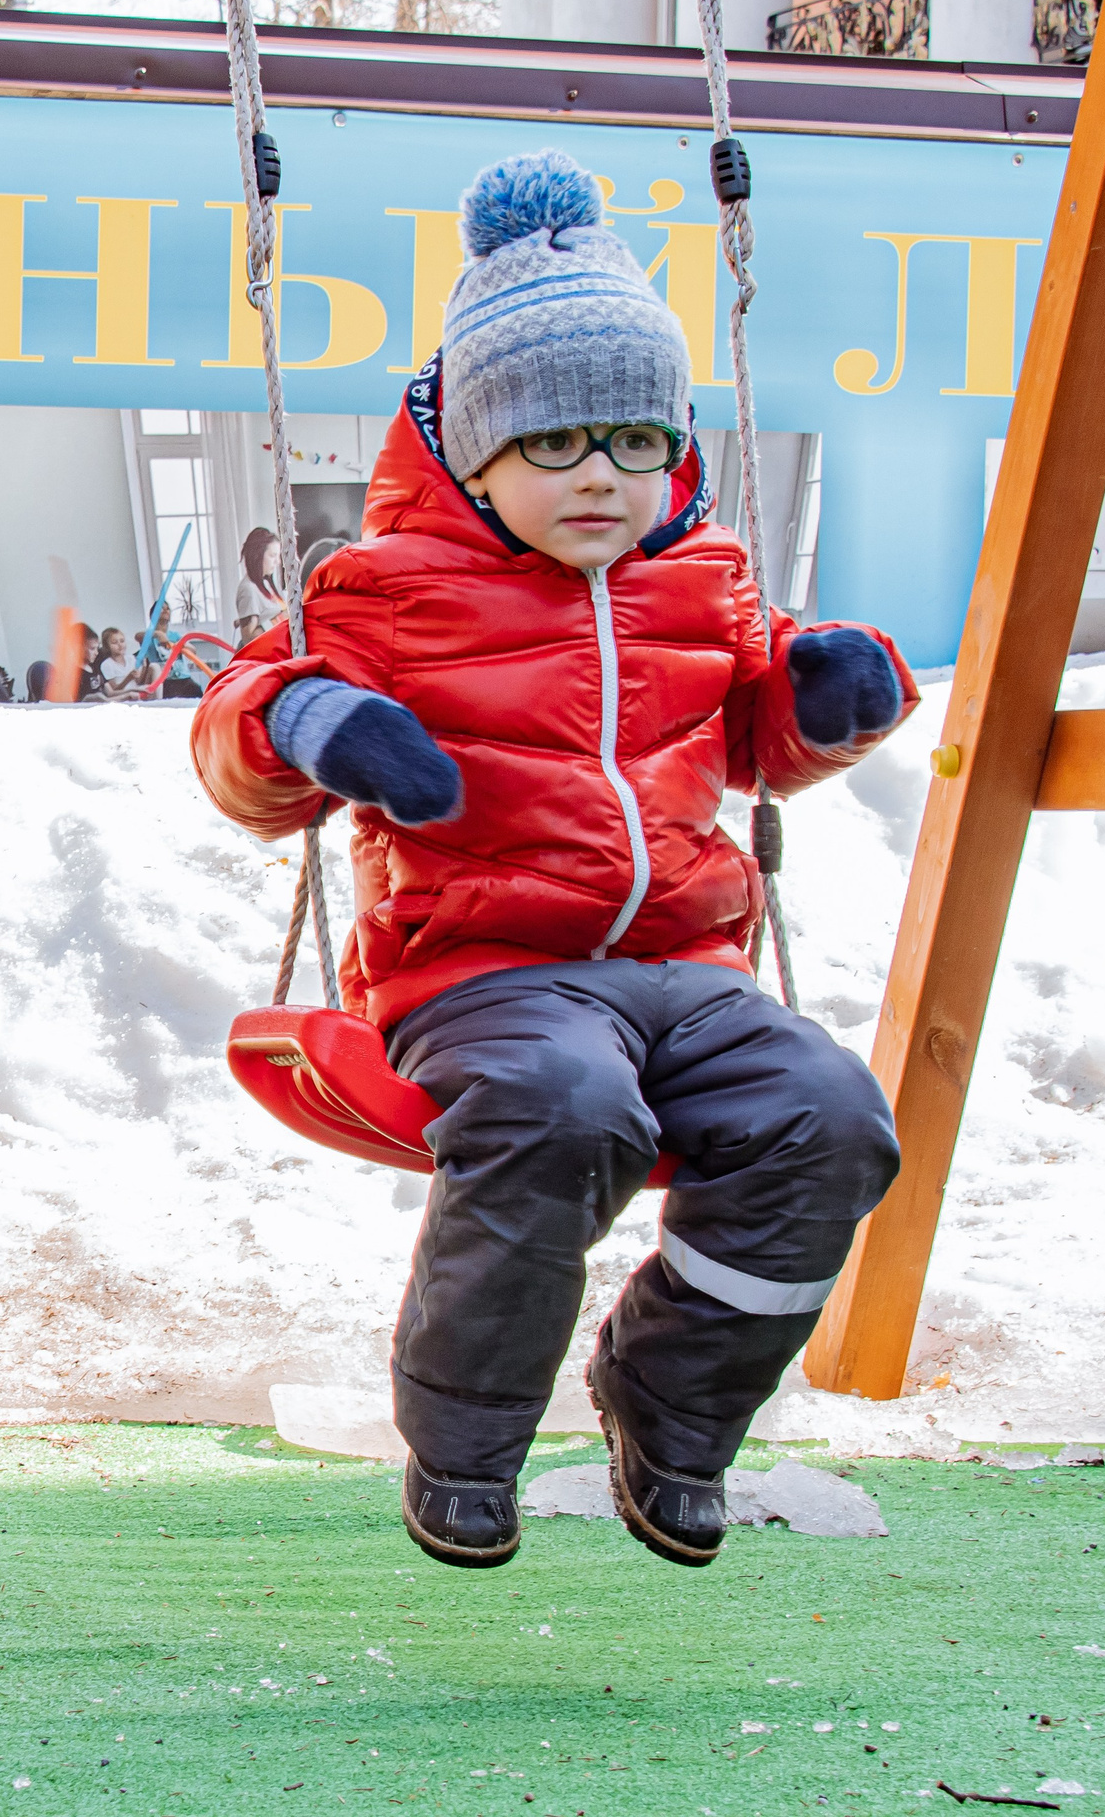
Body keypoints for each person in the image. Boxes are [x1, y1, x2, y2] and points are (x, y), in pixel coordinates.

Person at [191, 152, 917, 1575]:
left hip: (689, 970)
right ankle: (464, 1439)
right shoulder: (385, 591)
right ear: (476, 450)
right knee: (565, 1111)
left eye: (637, 442)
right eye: (557, 442)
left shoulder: (704, 582)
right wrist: (312, 724)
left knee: (831, 1120)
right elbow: (239, 744)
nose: (603, 476)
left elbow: (759, 737)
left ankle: (674, 1399)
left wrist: (833, 695)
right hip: (482, 973)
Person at [234, 527, 286, 645]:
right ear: (257, 556)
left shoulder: (266, 584)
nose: (277, 562)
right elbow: (249, 640)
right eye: (272, 556)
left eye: (278, 556)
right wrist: (279, 623)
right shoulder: (248, 589)